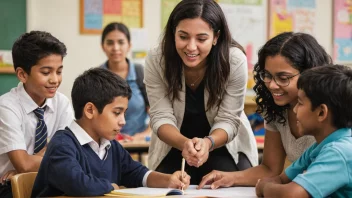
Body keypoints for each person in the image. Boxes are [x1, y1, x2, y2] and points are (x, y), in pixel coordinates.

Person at [198, 32, 332, 189]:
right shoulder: (277, 109)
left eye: (283, 78)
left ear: (310, 74)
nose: (272, 85)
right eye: (267, 75)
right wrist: (229, 177)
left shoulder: (329, 115)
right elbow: (270, 169)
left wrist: (269, 189)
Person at [144, 0, 258, 184]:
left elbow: (229, 119)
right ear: (173, 33)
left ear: (216, 37)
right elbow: (160, 116)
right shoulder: (157, 60)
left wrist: (207, 143)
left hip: (223, 143)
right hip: (174, 144)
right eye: (183, 36)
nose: (191, 47)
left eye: (201, 39)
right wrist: (185, 145)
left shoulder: (234, 61)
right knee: (166, 189)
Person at [31, 68, 190, 197]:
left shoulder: (111, 146)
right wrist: (112, 186)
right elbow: (79, 185)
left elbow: (137, 173)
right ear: (90, 110)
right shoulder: (62, 145)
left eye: (124, 113)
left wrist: (168, 180)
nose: (123, 121)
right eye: (117, 112)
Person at [255, 64, 352, 197]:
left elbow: (291, 195)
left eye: (300, 103)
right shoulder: (317, 147)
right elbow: (282, 179)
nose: (294, 110)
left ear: (321, 113)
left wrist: (264, 187)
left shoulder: (339, 152)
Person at [0, 31, 74, 197]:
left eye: (59, 71)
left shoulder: (62, 103)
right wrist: (25, 167)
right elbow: (25, 165)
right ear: (22, 74)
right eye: (46, 72)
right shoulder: (6, 107)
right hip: (7, 188)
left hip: (48, 181)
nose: (55, 80)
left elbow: (72, 155)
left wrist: (27, 166)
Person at [100, 22, 150, 140]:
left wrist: (145, 134)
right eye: (110, 43)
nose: (115, 48)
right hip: (106, 145)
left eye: (121, 42)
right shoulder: (97, 77)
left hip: (138, 145)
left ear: (129, 45)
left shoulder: (140, 72)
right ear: (103, 46)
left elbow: (155, 112)